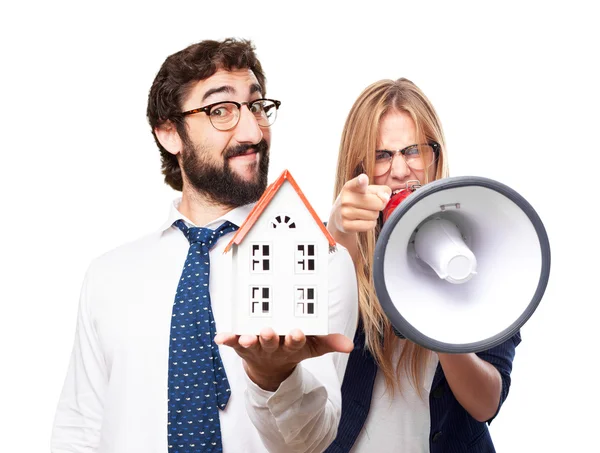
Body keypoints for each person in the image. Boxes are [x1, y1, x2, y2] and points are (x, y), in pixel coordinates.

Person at [51, 38, 358, 453]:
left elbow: (311, 442)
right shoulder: (108, 277)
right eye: (221, 111)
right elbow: (81, 430)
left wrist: (276, 378)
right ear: (168, 132)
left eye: (256, 107)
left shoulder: (318, 260)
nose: (252, 132)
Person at [324, 78, 520, 453]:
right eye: (381, 155)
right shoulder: (330, 246)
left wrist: (439, 322)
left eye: (412, 151)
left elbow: (485, 403)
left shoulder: (485, 248)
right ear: (358, 165)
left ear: (435, 155)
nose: (399, 170)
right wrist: (337, 235)